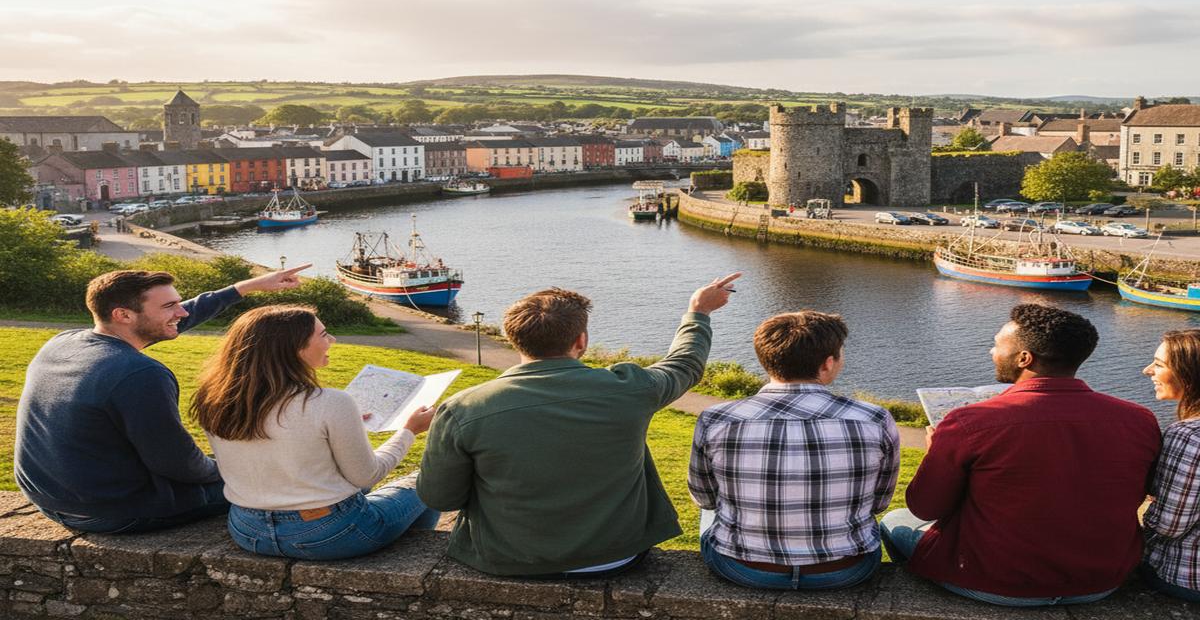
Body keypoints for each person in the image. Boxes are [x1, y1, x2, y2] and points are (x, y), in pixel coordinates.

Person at [417, 273, 741, 577]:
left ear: (512, 338)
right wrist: (698, 312)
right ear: (581, 340)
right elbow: (684, 364)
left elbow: (441, 498)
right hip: (615, 556)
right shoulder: (630, 388)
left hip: (506, 558)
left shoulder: (462, 408)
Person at [880, 303, 1162, 607]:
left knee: (895, 520)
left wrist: (935, 454)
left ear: (1024, 358)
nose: (991, 351)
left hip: (995, 582)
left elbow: (925, 507)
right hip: (1101, 581)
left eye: (996, 344)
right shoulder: (1139, 419)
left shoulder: (970, 421)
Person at [15, 265, 310, 533]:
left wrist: (247, 287)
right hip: (111, 510)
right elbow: (179, 464)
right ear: (123, 315)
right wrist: (232, 469)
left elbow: (176, 317)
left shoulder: (63, 343)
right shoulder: (139, 373)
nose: (182, 313)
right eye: (169, 306)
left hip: (50, 497)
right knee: (271, 476)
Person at [192, 305, 439, 560]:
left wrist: (344, 424)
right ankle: (410, 558)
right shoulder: (330, 402)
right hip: (329, 534)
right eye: (323, 334)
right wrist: (410, 430)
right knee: (431, 479)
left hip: (248, 529)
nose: (332, 340)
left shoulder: (214, 399)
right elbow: (367, 476)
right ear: (295, 348)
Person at [689, 310, 899, 590]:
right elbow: (879, 503)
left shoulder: (717, 419)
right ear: (827, 364)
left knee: (709, 512)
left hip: (743, 568)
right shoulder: (874, 419)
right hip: (846, 568)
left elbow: (704, 498)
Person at [1141, 329, 1200, 602]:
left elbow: (1169, 525)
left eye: (1159, 364)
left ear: (1189, 376)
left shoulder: (1188, 436)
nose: (1147, 371)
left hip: (1186, 577)